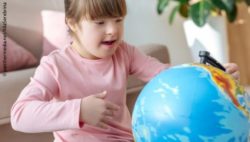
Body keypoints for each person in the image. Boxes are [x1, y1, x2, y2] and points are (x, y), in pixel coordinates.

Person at [10, 0, 240, 141]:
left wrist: (209, 75)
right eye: (100, 23)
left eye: (118, 20)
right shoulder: (55, 66)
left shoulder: (124, 53)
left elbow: (166, 76)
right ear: (72, 23)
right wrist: (78, 111)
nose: (112, 30)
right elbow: (20, 115)